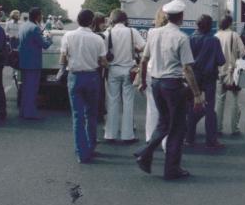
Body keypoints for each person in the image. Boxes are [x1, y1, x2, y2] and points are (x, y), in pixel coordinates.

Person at [135, 0, 204, 180]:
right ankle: (171, 169)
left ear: (166, 16)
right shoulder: (182, 38)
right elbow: (187, 68)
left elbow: (144, 60)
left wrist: (143, 81)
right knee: (177, 128)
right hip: (173, 85)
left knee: (164, 123)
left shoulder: (153, 33)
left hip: (156, 83)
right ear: (181, 17)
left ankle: (145, 152)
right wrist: (197, 94)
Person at [61, 9, 108, 163]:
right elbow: (103, 62)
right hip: (92, 77)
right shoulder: (98, 39)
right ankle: (91, 145)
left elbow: (63, 58)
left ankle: (81, 152)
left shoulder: (68, 36)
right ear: (92, 21)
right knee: (91, 114)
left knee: (77, 116)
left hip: (74, 76)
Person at [103, 9, 145, 144]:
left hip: (113, 69)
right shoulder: (132, 32)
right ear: (125, 19)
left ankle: (110, 133)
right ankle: (128, 135)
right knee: (128, 102)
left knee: (112, 101)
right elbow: (144, 47)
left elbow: (102, 53)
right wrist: (135, 50)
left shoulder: (107, 33)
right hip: (129, 70)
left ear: (112, 20)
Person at [185, 14, 226, 148]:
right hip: (209, 78)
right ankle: (211, 140)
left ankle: (189, 137)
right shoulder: (214, 41)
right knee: (209, 108)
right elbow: (221, 61)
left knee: (192, 106)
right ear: (209, 26)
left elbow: (186, 62)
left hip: (194, 77)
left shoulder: (190, 39)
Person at [18, 7, 52, 120]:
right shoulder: (35, 28)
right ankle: (30, 113)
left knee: (25, 88)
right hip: (33, 63)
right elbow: (45, 45)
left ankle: (23, 111)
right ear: (38, 16)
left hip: (23, 61)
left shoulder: (24, 26)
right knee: (32, 89)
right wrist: (49, 37)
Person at [215, 15, 245, 137]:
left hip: (219, 73)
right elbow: (243, 52)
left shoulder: (216, 36)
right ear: (230, 24)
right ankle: (235, 128)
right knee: (235, 101)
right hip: (233, 73)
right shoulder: (234, 35)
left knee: (219, 101)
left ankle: (218, 127)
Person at [144, 8, 167, 144]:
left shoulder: (151, 33)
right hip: (168, 75)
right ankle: (165, 142)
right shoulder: (177, 34)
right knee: (168, 111)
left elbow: (145, 57)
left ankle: (150, 138)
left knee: (152, 108)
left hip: (152, 72)